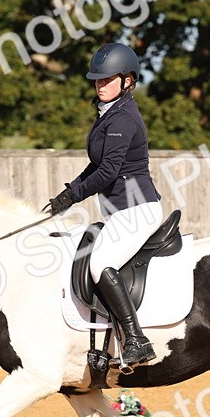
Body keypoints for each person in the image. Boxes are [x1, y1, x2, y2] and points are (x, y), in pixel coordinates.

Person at [45, 42, 163, 370]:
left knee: (100, 263)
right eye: (97, 80)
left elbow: (109, 171)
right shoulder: (107, 114)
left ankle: (137, 340)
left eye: (108, 79)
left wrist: (74, 196)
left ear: (127, 80)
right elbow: (96, 166)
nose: (100, 84)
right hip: (120, 211)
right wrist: (66, 195)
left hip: (137, 209)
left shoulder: (123, 118)